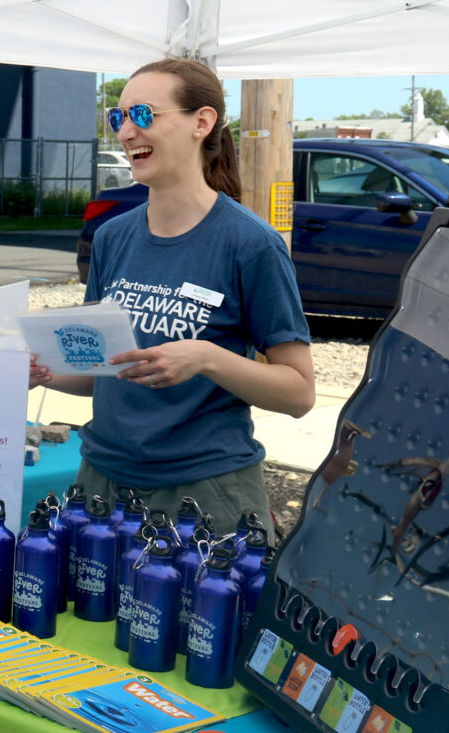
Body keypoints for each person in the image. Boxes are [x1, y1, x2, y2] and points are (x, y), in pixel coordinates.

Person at [30, 58, 314, 540]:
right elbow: (105, 370)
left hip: (205, 496)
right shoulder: (113, 237)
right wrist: (41, 371)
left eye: (143, 114)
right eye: (118, 118)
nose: (126, 132)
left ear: (201, 123)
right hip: (100, 483)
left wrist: (206, 357)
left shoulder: (250, 244)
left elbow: (299, 393)